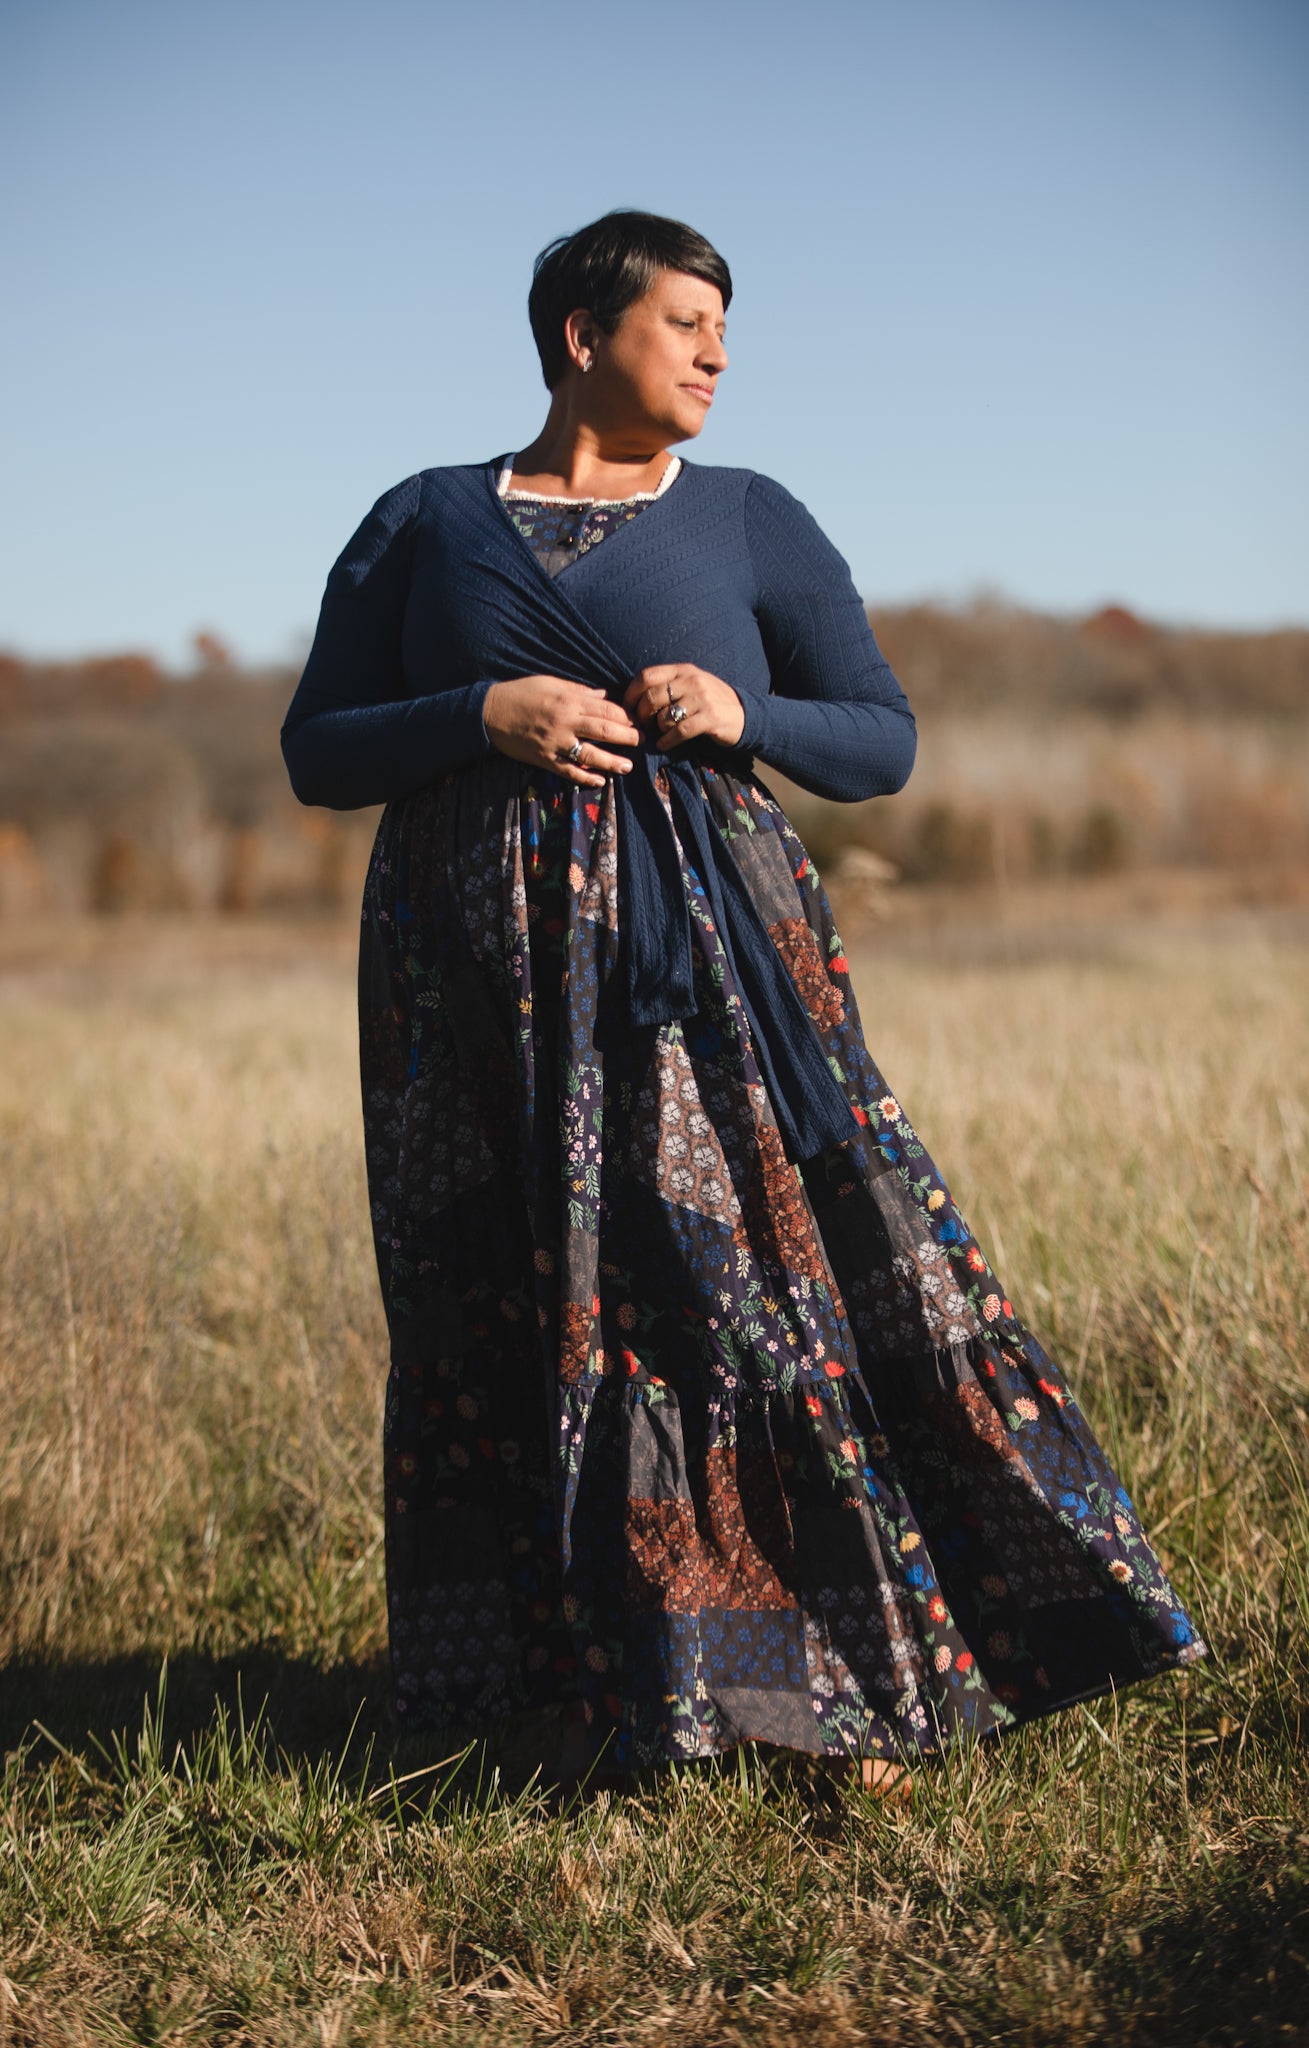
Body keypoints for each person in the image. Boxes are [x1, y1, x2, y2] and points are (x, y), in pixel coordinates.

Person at [280, 209, 1206, 1796]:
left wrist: (741, 708)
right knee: (509, 1301)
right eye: (686, 322)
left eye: (724, 328)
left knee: (742, 1291)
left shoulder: (749, 519)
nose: (717, 354)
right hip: (477, 991)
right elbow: (318, 749)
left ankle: (831, 1693)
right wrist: (480, 711)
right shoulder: (425, 520)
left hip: (704, 975)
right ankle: (576, 1694)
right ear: (583, 336)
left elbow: (878, 741)